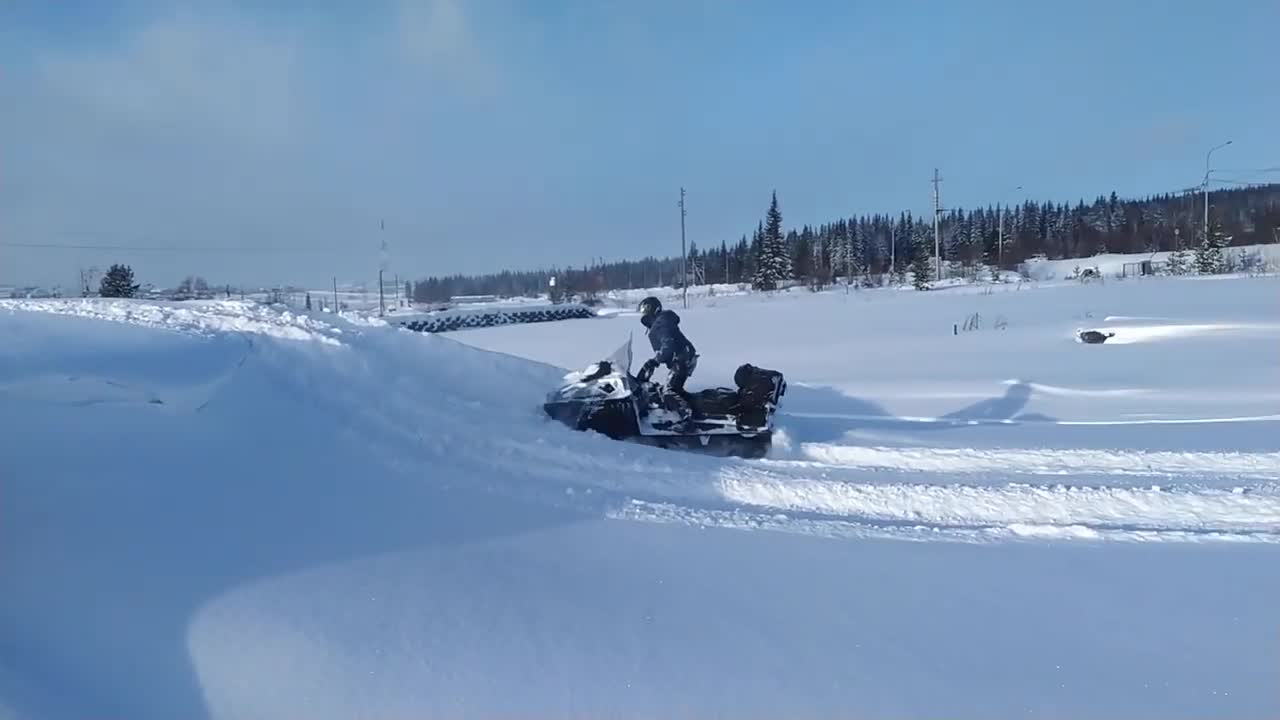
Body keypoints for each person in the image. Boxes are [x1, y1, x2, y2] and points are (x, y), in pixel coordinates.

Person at [636, 296, 698, 426]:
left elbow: (668, 345)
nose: (644, 313)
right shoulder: (661, 322)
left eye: (646, 309)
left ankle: (687, 420)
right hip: (684, 356)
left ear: (654, 308)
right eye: (642, 310)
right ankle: (697, 409)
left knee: (668, 391)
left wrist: (655, 361)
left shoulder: (660, 323)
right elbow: (665, 349)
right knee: (675, 389)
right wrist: (653, 362)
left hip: (681, 358)